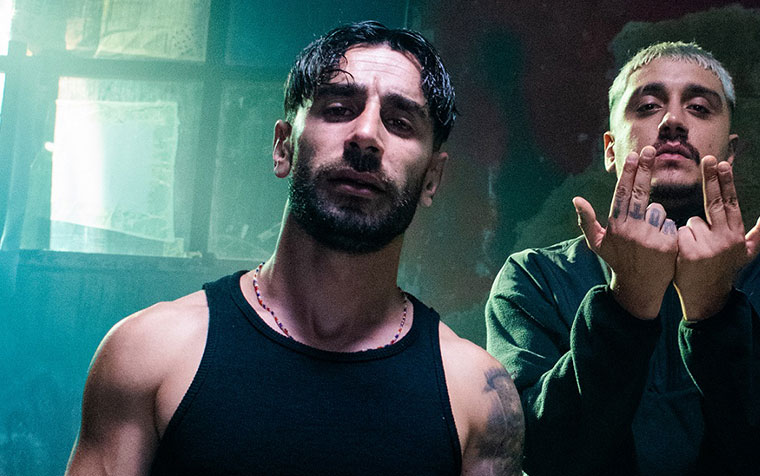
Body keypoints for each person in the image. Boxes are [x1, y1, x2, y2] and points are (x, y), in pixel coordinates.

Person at [67, 21, 524, 476]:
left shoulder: (476, 398)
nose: (366, 134)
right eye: (339, 109)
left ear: (432, 179)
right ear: (283, 146)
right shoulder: (149, 352)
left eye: (399, 123)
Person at [485, 41, 760, 475]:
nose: (673, 121)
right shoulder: (535, 279)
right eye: (649, 106)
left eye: (699, 108)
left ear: (730, 153)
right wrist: (626, 305)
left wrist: (716, 310)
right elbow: (538, 450)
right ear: (610, 149)